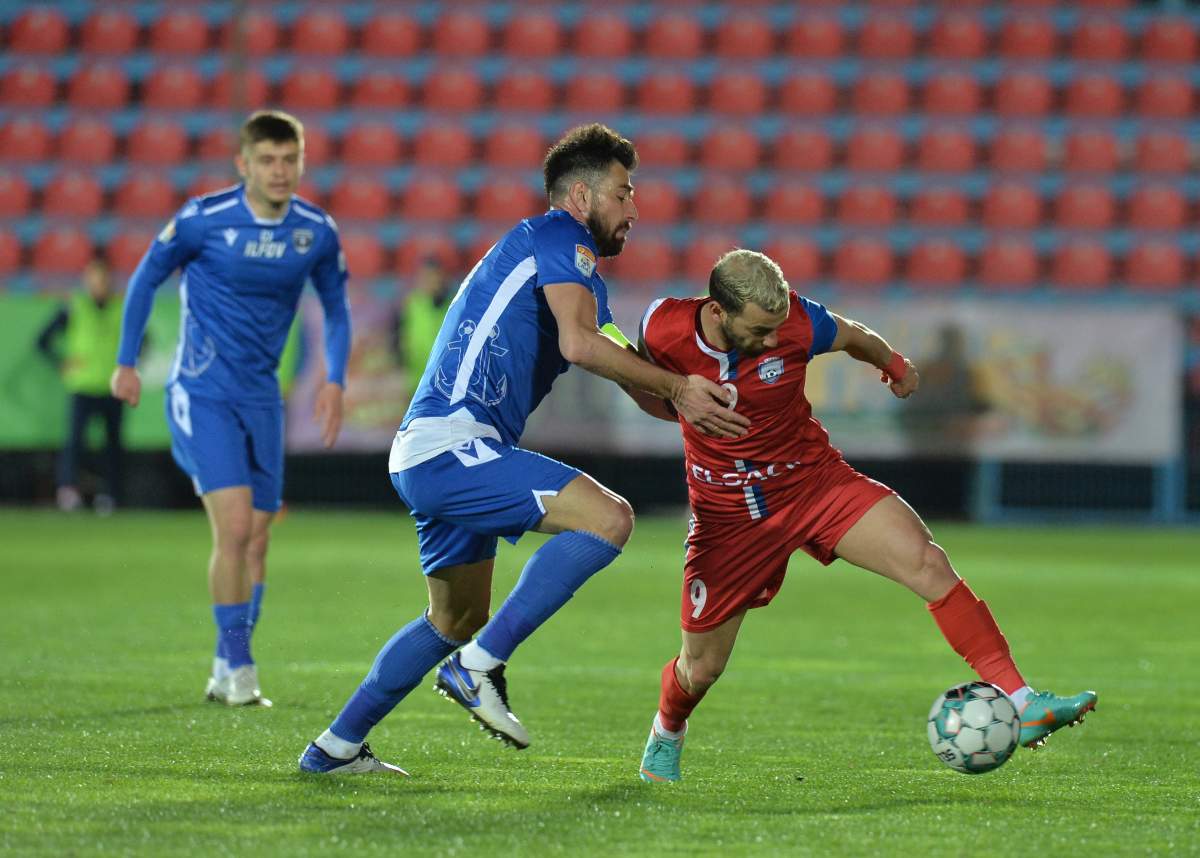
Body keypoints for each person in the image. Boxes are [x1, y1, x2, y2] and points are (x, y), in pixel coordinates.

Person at [298, 124, 750, 775]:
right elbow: (579, 347)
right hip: (453, 444)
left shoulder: (580, 279)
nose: (635, 209)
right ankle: (480, 666)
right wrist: (679, 385)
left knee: (453, 617)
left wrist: (700, 393)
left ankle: (335, 748)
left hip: (434, 449)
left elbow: (628, 373)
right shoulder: (558, 237)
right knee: (610, 518)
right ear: (580, 196)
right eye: (623, 193)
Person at [630, 250, 1097, 784]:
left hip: (813, 483)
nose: (769, 340)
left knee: (927, 562)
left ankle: (1021, 700)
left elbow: (852, 334)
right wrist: (673, 400)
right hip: (728, 516)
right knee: (702, 668)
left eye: (776, 329)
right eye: (758, 331)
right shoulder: (662, 325)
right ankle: (667, 732)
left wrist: (894, 365)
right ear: (716, 311)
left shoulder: (798, 322)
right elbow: (636, 378)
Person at [111, 110, 351, 708]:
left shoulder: (316, 231)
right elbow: (145, 277)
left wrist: (335, 380)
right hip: (203, 392)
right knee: (237, 528)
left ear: (301, 162)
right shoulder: (203, 220)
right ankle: (240, 667)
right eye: (266, 160)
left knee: (260, 540)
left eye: (289, 160)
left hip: (261, 398)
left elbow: (338, 308)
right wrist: (125, 361)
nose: (279, 171)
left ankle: (225, 661)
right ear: (243, 164)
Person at [37, 257, 125, 514]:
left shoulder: (121, 307)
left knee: (112, 445)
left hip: (112, 385)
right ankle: (67, 491)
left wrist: (129, 365)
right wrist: (61, 363)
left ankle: (109, 495)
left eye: (103, 278)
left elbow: (143, 339)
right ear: (86, 281)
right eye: (95, 279)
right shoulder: (74, 306)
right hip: (83, 385)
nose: (99, 284)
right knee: (75, 443)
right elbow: (42, 340)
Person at [398, 256, 452, 395]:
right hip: (416, 379)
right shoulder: (411, 304)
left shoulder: (454, 305)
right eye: (425, 277)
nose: (430, 281)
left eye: (434, 276)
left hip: (447, 379)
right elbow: (399, 337)